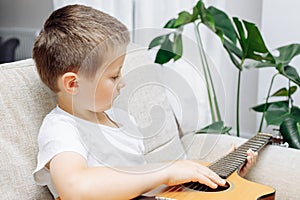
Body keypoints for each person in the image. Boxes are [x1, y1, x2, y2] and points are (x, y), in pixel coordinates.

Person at [32, 4, 257, 200]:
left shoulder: (122, 120)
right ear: (73, 84)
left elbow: (145, 188)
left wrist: (214, 177)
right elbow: (76, 188)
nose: (122, 83)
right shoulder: (62, 128)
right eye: (113, 76)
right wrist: (166, 171)